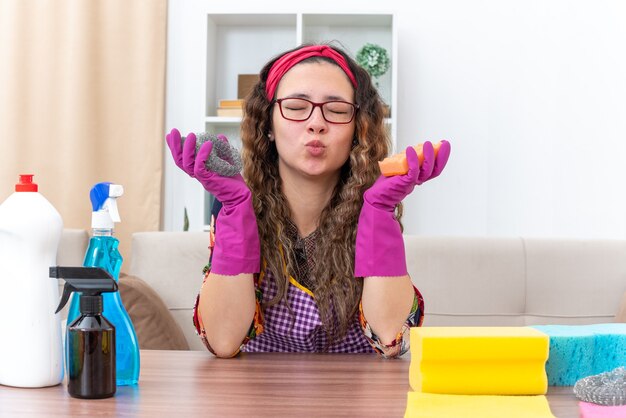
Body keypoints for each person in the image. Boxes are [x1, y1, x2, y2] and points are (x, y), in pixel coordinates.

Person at [166, 43, 450, 358]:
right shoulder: (236, 211)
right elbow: (223, 342)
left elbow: (391, 340)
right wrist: (234, 210)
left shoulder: (376, 211)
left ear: (358, 130)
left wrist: (380, 213)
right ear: (268, 124)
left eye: (338, 110)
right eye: (297, 107)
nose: (316, 123)